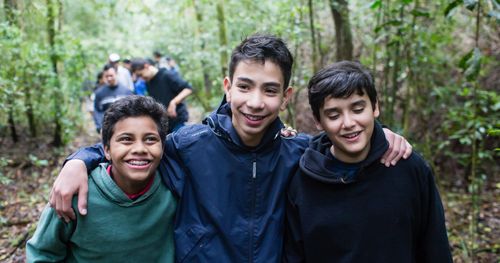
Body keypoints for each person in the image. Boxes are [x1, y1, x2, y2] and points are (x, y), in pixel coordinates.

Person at [49, 34, 412, 262]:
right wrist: (79, 159)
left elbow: (345, 143)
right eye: (244, 87)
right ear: (227, 86)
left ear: (286, 97)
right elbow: (136, 149)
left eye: (270, 90)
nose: (255, 102)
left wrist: (384, 136)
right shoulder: (187, 145)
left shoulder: (299, 153)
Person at [284, 61, 452, 262]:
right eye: (334, 115)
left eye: (357, 109)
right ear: (318, 121)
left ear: (375, 107)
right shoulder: (303, 183)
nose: (348, 123)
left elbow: (435, 248)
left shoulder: (409, 168)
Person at [27, 96, 177, 262]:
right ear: (106, 150)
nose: (139, 149)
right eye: (126, 139)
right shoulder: (74, 194)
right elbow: (42, 253)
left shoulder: (174, 187)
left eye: (150, 139)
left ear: (163, 148)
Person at [132, 58, 193, 133]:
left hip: (177, 120)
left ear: (146, 66)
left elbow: (188, 89)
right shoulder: (148, 82)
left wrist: (174, 102)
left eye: (141, 74)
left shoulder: (167, 75)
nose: (141, 78)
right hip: (164, 123)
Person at [93, 64, 133, 133]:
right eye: (106, 76)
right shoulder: (99, 93)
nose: (109, 78)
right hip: (107, 130)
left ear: (116, 74)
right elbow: (97, 111)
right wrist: (99, 127)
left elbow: (132, 110)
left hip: (125, 128)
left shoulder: (127, 92)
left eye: (111, 75)